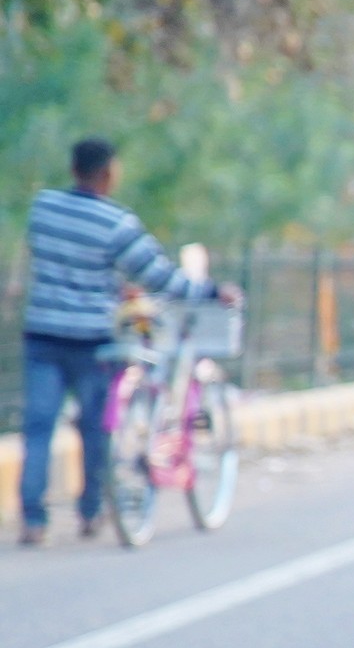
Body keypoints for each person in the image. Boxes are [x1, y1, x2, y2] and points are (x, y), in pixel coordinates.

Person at [17, 137, 234, 546]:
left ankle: (33, 520)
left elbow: (59, 264)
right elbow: (159, 276)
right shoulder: (114, 222)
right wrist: (210, 291)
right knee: (96, 428)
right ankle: (90, 511)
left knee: (39, 428)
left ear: (73, 168)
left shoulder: (43, 208)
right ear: (108, 174)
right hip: (92, 342)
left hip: (42, 335)